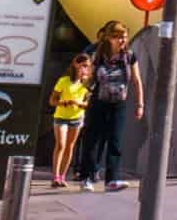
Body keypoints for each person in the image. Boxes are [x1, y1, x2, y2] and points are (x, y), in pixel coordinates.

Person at [75, 22, 144, 192]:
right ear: (109, 38)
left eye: (125, 37)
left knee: (116, 141)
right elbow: (85, 74)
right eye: (119, 37)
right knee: (92, 140)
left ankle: (111, 180)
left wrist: (140, 104)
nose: (123, 40)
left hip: (119, 102)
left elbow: (136, 80)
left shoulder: (129, 56)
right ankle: (87, 178)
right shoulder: (97, 53)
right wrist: (83, 81)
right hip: (98, 101)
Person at [47, 54, 92, 188]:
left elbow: (89, 103)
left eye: (87, 66)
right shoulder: (64, 81)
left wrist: (80, 104)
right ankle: (55, 176)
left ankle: (62, 176)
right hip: (61, 116)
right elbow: (52, 101)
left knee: (70, 146)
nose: (85, 69)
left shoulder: (87, 84)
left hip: (77, 118)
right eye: (83, 65)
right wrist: (64, 102)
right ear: (75, 65)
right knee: (60, 144)